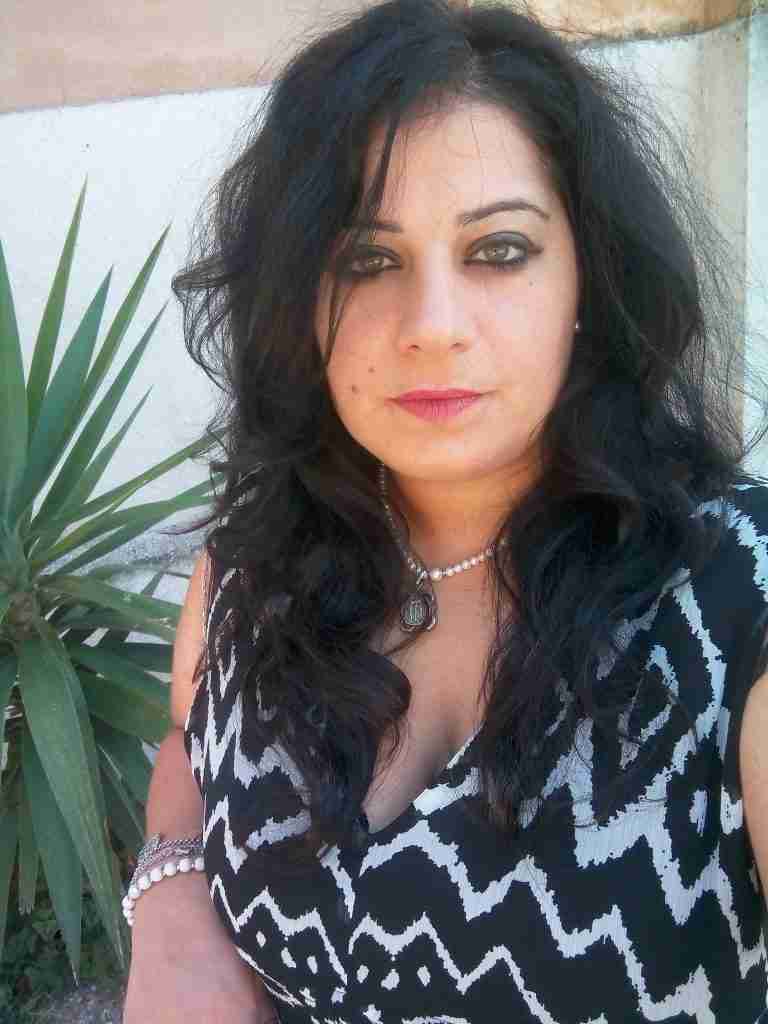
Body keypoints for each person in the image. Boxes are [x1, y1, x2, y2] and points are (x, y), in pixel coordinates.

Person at [123, 1, 768, 1021]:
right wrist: (172, 909)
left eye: (499, 251)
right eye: (366, 260)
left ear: (587, 279)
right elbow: (186, 747)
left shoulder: (735, 601)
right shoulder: (255, 568)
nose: (432, 325)